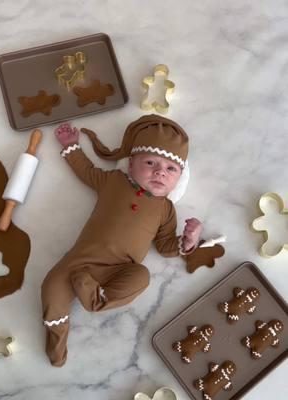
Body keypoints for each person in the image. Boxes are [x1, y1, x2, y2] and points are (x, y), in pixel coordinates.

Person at [41, 114, 202, 367]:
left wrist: (188, 239)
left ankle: (98, 298)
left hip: (118, 271)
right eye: (150, 162)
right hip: (78, 263)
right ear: (130, 165)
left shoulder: (165, 209)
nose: (160, 171)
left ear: (179, 178)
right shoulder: (113, 181)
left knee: (142, 276)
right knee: (51, 286)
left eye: (171, 169)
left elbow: (164, 245)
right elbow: (87, 172)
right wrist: (71, 146)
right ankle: (57, 342)